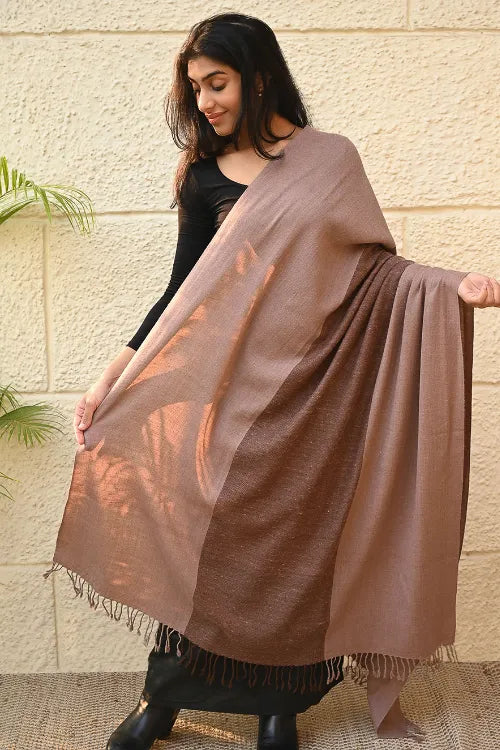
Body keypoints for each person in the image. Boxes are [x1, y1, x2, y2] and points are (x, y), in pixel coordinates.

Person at [68, 13, 498, 750]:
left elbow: (374, 272)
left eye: (218, 83)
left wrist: (450, 286)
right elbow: (182, 294)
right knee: (204, 548)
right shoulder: (203, 176)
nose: (204, 101)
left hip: (317, 392)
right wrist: (113, 377)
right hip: (229, 396)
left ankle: (280, 710)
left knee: (294, 552)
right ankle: (163, 700)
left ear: (259, 77)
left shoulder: (330, 161)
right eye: (194, 87)